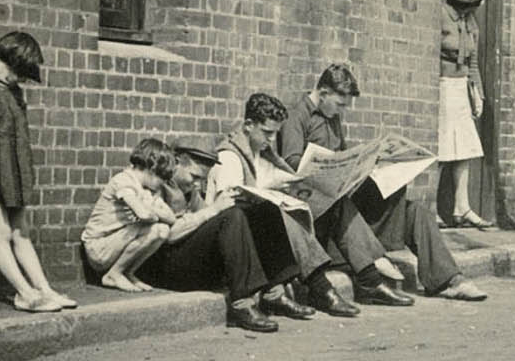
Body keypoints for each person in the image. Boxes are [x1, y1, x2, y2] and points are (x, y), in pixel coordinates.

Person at [277, 63, 488, 303]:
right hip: (324, 222)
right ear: (323, 93)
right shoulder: (296, 117)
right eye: (339, 104)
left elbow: (342, 160)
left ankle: (449, 280)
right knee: (343, 206)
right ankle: (374, 261)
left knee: (416, 212)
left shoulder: (331, 116)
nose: (341, 112)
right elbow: (292, 165)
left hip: (345, 211)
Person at [208, 92, 360, 317]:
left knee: (289, 209)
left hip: (259, 237)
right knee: (277, 215)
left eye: (275, 134)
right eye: (267, 133)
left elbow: (269, 179)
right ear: (248, 125)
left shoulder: (261, 153)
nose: (271, 140)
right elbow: (229, 207)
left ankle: (278, 294)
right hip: (232, 246)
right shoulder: (230, 157)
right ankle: (319, 288)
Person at [0, 31, 76, 313]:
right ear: (6, 63)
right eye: (17, 73)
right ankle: (24, 293)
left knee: (22, 232)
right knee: (1, 232)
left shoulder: (12, 91)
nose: (19, 79)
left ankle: (44, 290)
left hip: (13, 172)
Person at [135, 145, 314, 332]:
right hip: (165, 268)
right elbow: (169, 235)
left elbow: (205, 221)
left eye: (201, 180)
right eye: (194, 177)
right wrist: (216, 210)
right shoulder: (154, 184)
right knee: (232, 217)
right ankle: (242, 303)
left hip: (186, 258)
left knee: (265, 210)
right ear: (177, 163)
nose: (197, 184)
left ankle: (274, 294)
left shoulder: (187, 188)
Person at [80, 138, 178, 291]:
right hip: (100, 247)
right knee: (154, 228)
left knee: (162, 230)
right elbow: (144, 214)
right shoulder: (124, 181)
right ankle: (114, 274)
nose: (163, 184)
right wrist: (152, 210)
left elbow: (171, 218)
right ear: (151, 168)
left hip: (118, 244)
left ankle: (127, 272)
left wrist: (152, 209)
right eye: (162, 178)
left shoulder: (147, 189)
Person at [438, 0, 495, 230]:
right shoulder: (441, 15)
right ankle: (432, 210)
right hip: (442, 86)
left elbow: (472, 62)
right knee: (441, 148)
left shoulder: (470, 20)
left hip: (461, 88)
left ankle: (462, 208)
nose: (483, 2)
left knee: (466, 149)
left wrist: (478, 94)